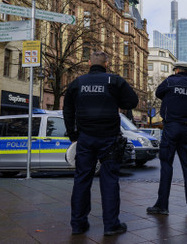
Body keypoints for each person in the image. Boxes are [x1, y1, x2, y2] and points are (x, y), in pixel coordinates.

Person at [63, 51, 138, 236]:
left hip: (85, 138)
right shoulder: (114, 81)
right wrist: (115, 100)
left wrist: (73, 135)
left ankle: (78, 224)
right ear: (107, 64)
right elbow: (133, 101)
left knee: (82, 180)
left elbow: (67, 110)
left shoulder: (77, 83)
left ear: (89, 63)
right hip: (109, 138)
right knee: (110, 180)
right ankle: (111, 225)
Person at [147, 61, 187, 215]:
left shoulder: (170, 81)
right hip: (185, 129)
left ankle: (162, 205)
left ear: (176, 70)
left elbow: (158, 93)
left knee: (166, 165)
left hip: (171, 128)